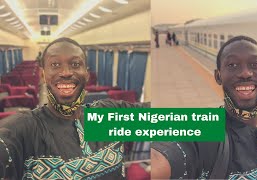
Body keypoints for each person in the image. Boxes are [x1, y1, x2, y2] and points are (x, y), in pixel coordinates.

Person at [151, 35, 257, 179]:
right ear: (218, 76)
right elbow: (159, 158)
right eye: (232, 65)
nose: (245, 73)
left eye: (255, 64)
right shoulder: (204, 126)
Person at [0, 37, 150, 179]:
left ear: (86, 74)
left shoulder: (106, 117)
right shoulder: (26, 129)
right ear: (43, 75)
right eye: (55, 65)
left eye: (75, 64)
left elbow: (170, 122)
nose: (66, 73)